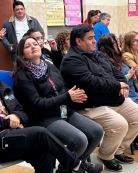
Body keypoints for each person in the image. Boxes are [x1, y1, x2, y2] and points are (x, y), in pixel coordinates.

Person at [60, 24, 138, 172]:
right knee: (120, 124)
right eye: (90, 38)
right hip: (91, 104)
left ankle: (118, 150)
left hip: (111, 98)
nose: (95, 41)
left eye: (94, 37)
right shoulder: (71, 60)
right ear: (78, 41)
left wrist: (122, 84)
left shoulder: (98, 55)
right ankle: (106, 156)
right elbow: (92, 83)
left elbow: (117, 73)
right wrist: (117, 86)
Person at [12, 36, 104, 173]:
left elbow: (62, 87)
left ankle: (67, 168)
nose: (33, 47)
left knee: (96, 131)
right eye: (27, 46)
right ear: (21, 54)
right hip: (43, 118)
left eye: (35, 43)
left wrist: (74, 96)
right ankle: (74, 167)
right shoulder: (22, 75)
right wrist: (67, 97)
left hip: (63, 111)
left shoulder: (48, 65)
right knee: (79, 140)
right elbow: (36, 104)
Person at [0, 80, 103, 173]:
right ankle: (76, 164)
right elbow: (35, 105)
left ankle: (75, 165)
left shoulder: (2, 86)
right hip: (2, 140)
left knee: (45, 154)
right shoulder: (22, 77)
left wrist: (17, 116)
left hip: (13, 138)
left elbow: (21, 110)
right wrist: (8, 123)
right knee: (40, 133)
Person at [97, 33, 138, 150]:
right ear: (108, 46)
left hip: (132, 90)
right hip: (120, 93)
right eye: (115, 43)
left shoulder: (120, 56)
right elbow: (113, 81)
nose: (118, 44)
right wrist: (130, 75)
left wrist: (133, 74)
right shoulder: (105, 60)